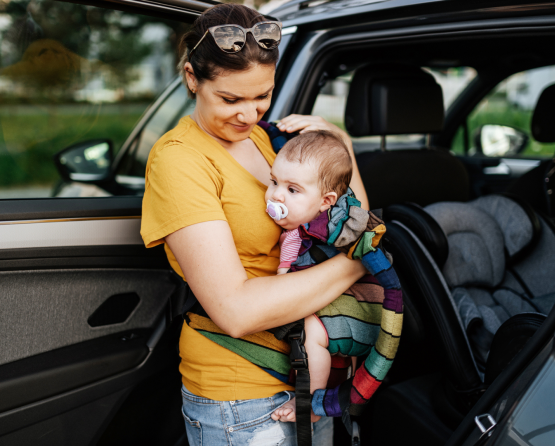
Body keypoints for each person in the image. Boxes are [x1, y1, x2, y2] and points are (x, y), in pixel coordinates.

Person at [139, 4, 369, 446]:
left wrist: (342, 147)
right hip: (242, 397)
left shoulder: (266, 140)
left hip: (312, 380)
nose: (249, 113)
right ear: (192, 78)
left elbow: (354, 224)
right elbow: (235, 311)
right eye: (231, 99)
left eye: (262, 95)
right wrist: (356, 265)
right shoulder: (179, 160)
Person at [263, 131, 403, 423]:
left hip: (366, 307)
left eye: (292, 190)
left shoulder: (339, 226)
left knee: (312, 332)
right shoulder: (302, 221)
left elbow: (284, 288)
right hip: (341, 297)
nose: (276, 195)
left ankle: (313, 404)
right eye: (274, 182)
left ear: (326, 201)